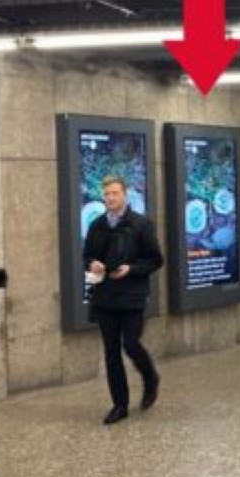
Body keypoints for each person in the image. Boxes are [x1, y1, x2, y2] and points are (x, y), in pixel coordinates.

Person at [83, 176, 165, 425]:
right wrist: (92, 264)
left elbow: (155, 259)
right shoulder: (97, 225)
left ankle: (150, 377)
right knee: (111, 352)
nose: (110, 198)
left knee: (130, 343)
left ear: (125, 195)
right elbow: (87, 255)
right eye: (107, 194)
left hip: (131, 296)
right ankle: (120, 405)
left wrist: (131, 269)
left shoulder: (141, 225)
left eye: (115, 193)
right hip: (105, 297)